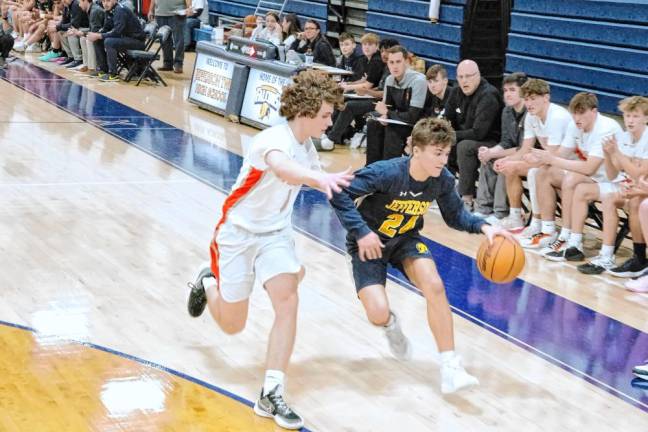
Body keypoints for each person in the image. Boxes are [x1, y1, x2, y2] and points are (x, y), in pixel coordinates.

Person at [185, 70, 353, 430]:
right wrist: (317, 177)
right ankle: (207, 279)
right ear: (306, 111)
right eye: (325, 114)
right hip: (237, 234)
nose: (330, 121)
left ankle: (271, 391)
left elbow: (318, 182)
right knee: (232, 325)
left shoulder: (308, 149)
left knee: (287, 297)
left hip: (275, 234)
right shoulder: (272, 140)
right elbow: (283, 168)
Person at [330, 117, 515, 394]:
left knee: (435, 285)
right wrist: (360, 232)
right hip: (368, 244)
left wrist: (485, 227)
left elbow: (456, 217)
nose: (443, 159)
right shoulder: (387, 173)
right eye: (437, 153)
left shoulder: (442, 179)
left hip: (405, 240)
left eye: (446, 153)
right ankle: (390, 324)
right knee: (377, 312)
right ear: (416, 150)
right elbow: (338, 193)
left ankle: (450, 367)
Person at [521, 92, 622, 252]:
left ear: (594, 112)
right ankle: (549, 231)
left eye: (581, 113)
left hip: (611, 180)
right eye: (574, 113)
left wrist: (552, 160)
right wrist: (541, 159)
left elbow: (590, 168)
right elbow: (561, 154)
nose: (577, 118)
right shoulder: (575, 126)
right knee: (543, 172)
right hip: (592, 177)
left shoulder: (606, 128)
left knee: (572, 180)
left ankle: (567, 237)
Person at [574, 96, 648, 276]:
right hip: (628, 186)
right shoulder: (623, 137)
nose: (630, 120)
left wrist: (617, 154)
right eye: (627, 116)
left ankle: (639, 258)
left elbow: (640, 174)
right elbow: (613, 175)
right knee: (596, 194)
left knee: (636, 201)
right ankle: (605, 255)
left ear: (646, 118)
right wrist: (608, 155)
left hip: (643, 191)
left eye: (635, 116)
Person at [494, 78, 572, 233]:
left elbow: (554, 156)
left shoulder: (557, 117)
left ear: (546, 98)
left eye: (533, 99)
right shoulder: (531, 117)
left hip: (569, 165)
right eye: (527, 99)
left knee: (535, 173)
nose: (529, 104)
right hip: (550, 163)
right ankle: (516, 217)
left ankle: (540, 224)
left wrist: (532, 160)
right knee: (509, 168)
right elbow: (525, 149)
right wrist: (506, 160)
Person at [444, 59, 502, 210]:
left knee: (464, 146)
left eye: (469, 76)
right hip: (467, 136)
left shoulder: (488, 95)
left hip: (492, 142)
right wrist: (440, 134)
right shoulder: (456, 92)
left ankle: (467, 199)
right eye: (461, 77)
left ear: (478, 75)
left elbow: (479, 132)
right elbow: (446, 121)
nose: (464, 81)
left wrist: (451, 135)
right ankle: (442, 191)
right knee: (438, 139)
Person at [474, 72, 528, 224]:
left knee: (504, 163)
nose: (507, 94)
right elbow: (506, 141)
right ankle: (483, 209)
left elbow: (523, 148)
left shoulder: (529, 113)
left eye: (512, 90)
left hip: (530, 155)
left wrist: (496, 154)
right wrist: (490, 152)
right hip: (515, 151)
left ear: (523, 91)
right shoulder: (507, 111)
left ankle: (501, 213)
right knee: (487, 159)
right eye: (505, 90)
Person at [365, 45, 427, 164]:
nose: (395, 66)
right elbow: (388, 107)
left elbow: (413, 116)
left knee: (392, 128)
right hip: (398, 118)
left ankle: (389, 170)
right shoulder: (389, 79)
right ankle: (372, 168)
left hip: (417, 123)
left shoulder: (419, 81)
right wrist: (384, 116)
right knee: (373, 122)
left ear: (406, 62)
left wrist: (387, 113)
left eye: (398, 62)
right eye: (391, 62)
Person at [87, 0, 146, 82]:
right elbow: (106, 28)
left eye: (108, 1)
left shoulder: (120, 10)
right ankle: (103, 69)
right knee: (97, 40)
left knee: (109, 41)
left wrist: (99, 35)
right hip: (126, 39)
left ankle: (113, 74)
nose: (105, 4)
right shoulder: (109, 10)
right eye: (103, 1)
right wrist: (95, 34)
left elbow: (117, 32)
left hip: (137, 41)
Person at [148, 0, 192, 73]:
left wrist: (189, 7)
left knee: (179, 39)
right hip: (160, 12)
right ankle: (167, 63)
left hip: (177, 12)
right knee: (164, 39)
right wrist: (151, 10)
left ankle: (178, 64)